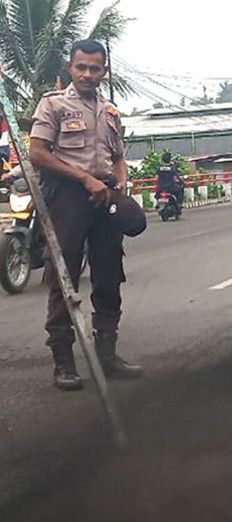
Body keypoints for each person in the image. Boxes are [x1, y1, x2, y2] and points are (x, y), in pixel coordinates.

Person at [29, 39, 147, 391]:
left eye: (95, 68)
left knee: (110, 273)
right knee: (63, 275)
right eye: (81, 67)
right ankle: (63, 361)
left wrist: (120, 180)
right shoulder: (53, 105)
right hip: (69, 195)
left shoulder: (109, 112)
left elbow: (119, 156)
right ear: (70, 67)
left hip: (104, 195)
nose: (88, 74)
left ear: (104, 71)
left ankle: (107, 355)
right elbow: (37, 153)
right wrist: (84, 179)